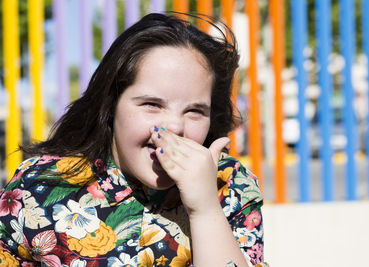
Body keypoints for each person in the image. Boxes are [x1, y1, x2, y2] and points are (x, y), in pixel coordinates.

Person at [0, 13, 267, 266]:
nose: (174, 125)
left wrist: (205, 209)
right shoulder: (39, 185)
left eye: (195, 111)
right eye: (152, 104)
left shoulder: (229, 186)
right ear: (111, 105)